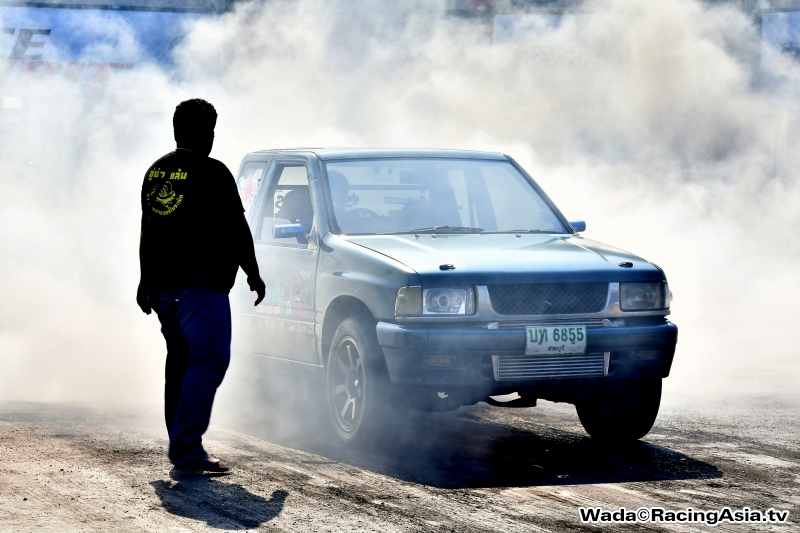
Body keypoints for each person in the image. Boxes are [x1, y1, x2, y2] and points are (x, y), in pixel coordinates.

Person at [136, 98, 266, 472]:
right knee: (208, 361)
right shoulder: (213, 172)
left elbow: (149, 229)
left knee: (179, 362)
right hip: (200, 289)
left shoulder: (156, 172)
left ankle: (179, 441)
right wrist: (253, 273)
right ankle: (187, 448)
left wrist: (145, 280)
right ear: (206, 132)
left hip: (163, 289)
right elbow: (237, 230)